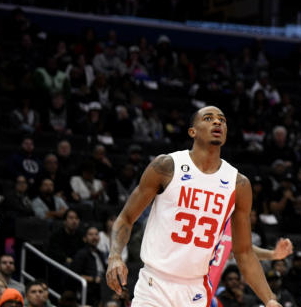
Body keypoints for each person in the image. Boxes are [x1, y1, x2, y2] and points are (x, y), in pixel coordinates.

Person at [106, 106, 291, 307]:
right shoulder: (166, 166)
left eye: (222, 119)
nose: (218, 122)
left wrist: (270, 299)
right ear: (192, 131)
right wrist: (115, 255)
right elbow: (126, 217)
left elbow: (244, 252)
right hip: (154, 284)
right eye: (209, 118)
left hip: (195, 289)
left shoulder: (239, 184)